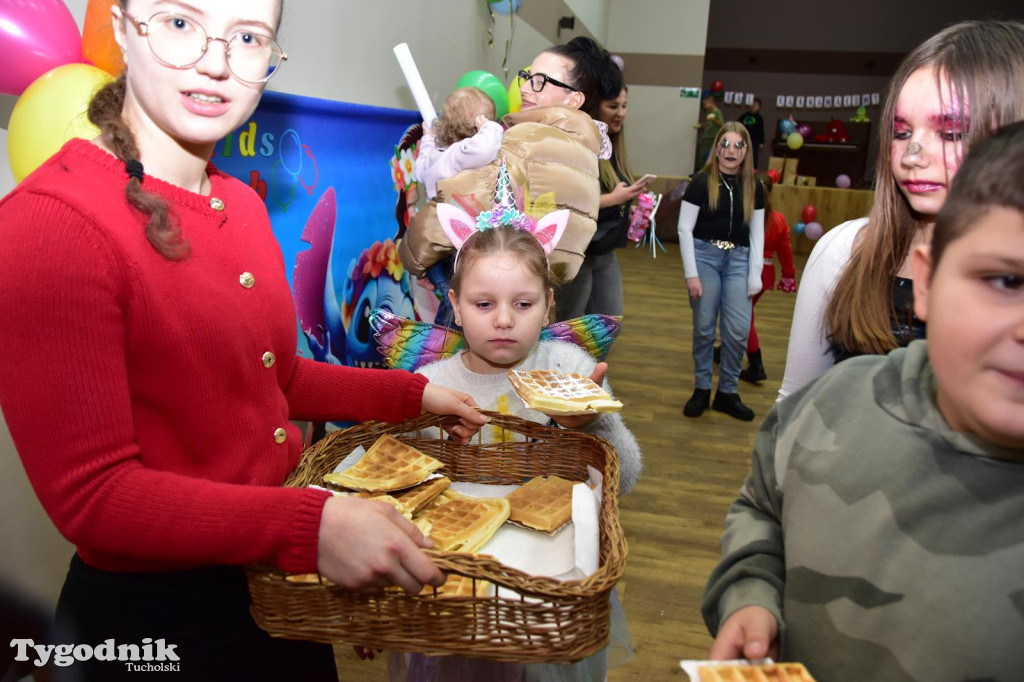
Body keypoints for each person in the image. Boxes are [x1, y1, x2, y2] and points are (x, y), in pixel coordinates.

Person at [0, 1, 489, 680]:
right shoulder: (51, 226)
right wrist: (313, 528)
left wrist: (415, 395)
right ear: (121, 30)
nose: (216, 61)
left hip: (276, 590)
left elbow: (276, 379)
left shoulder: (241, 203)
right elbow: (95, 498)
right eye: (180, 23)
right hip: (154, 624)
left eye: (249, 36)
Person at [701, 119, 1024, 682]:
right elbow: (763, 507)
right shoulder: (836, 401)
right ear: (926, 282)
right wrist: (752, 592)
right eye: (1004, 282)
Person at [391, 174, 641, 682]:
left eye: (523, 304)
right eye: (484, 304)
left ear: (549, 306)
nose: (503, 320)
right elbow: (402, 493)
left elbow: (626, 478)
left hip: (551, 586)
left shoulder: (569, 368)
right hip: (457, 588)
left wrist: (593, 422)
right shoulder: (431, 385)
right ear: (455, 305)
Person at [778, 19, 1024, 400]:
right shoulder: (844, 252)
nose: (911, 155)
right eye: (902, 131)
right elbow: (795, 405)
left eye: (951, 133)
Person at [398, 36, 613, 289]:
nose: (524, 88)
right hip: (536, 282)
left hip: (489, 280)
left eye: (540, 82)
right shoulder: (586, 150)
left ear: (573, 99)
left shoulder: (529, 139)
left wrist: (414, 258)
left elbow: (459, 202)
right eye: (527, 77)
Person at [678, 123, 765, 421]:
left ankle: (727, 392)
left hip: (739, 261)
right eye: (725, 144)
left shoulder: (755, 187)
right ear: (716, 149)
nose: (731, 151)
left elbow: (758, 234)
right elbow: (684, 229)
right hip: (705, 258)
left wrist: (755, 273)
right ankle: (702, 388)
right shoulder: (701, 182)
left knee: (738, 331)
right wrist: (691, 274)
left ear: (746, 152)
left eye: (738, 146)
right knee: (704, 329)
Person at [555, 84, 653, 322]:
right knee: (568, 326)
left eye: (624, 106)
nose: (621, 113)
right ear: (596, 108)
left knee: (608, 325)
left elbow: (608, 193)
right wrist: (615, 199)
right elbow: (568, 201)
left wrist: (629, 210)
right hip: (579, 252)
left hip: (605, 251)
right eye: (613, 106)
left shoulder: (614, 148)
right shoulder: (581, 145)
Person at [413, 86, 503, 325]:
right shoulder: (459, 155)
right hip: (452, 247)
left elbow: (420, 169)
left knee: (451, 302)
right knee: (458, 307)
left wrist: (428, 138)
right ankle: (448, 344)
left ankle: (440, 342)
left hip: (436, 246)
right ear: (476, 127)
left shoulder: (438, 156)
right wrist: (490, 127)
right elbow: (487, 146)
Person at [738, 172, 796, 383]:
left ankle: (756, 365)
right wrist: (788, 274)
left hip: (744, 270)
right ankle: (726, 348)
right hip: (766, 273)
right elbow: (785, 249)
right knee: (742, 313)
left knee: (744, 317)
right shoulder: (778, 219)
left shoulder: (744, 214)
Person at [693, 92, 723, 173]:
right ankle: (700, 173)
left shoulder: (717, 112)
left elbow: (722, 124)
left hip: (713, 137)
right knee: (701, 157)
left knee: (710, 156)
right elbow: (709, 123)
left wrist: (715, 119)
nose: (704, 106)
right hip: (706, 136)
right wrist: (701, 126)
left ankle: (706, 173)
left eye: (705, 104)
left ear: (711, 102)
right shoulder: (709, 112)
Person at [738, 97, 765, 169]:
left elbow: (761, 131)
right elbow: (738, 125)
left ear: (759, 107)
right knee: (741, 155)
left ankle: (753, 170)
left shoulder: (759, 118)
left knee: (753, 157)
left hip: (754, 141)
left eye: (755, 104)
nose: (753, 106)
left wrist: (761, 142)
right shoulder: (744, 116)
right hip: (743, 139)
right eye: (752, 104)